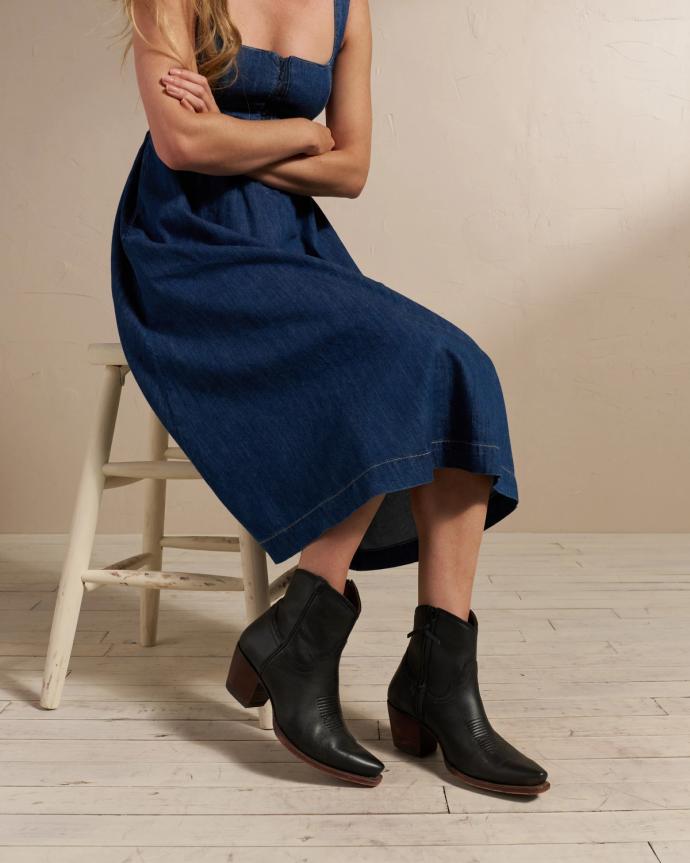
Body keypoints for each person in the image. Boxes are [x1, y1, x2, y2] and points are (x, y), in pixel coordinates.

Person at [111, 0, 550, 794]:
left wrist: (238, 140)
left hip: (291, 244)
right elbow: (180, 144)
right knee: (378, 365)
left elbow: (351, 171)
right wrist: (302, 134)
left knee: (463, 366)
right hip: (186, 251)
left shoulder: (351, 9)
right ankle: (302, 632)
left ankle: (438, 678)